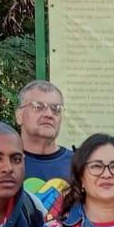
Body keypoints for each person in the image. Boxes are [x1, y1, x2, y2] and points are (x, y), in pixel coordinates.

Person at [16, 80, 72, 215]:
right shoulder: (3, 164)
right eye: (38, 107)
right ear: (19, 116)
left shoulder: (78, 165)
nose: (49, 114)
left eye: (56, 109)